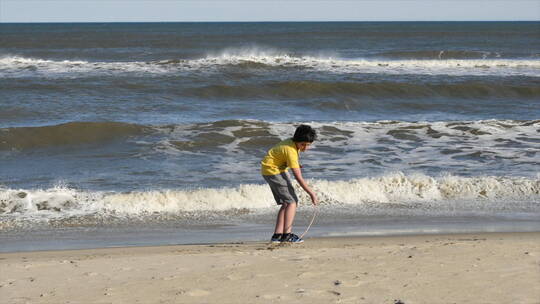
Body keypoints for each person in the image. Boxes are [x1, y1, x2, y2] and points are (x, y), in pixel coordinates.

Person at [261, 124, 318, 243]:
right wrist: (311, 193)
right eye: (303, 144)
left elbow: (282, 156)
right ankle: (287, 235)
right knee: (292, 202)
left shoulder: (291, 143)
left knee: (286, 203)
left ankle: (277, 235)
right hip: (273, 171)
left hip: (271, 169)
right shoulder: (291, 151)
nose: (305, 148)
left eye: (308, 145)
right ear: (297, 141)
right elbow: (299, 178)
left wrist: (294, 164)